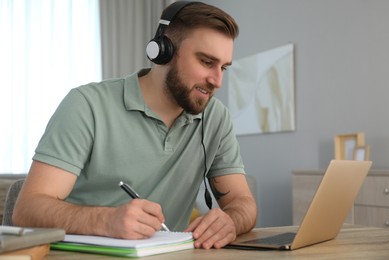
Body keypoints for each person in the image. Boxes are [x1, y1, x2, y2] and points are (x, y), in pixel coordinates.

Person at [13, 1, 257, 249]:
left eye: (224, 67)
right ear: (164, 51)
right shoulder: (86, 105)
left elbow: (242, 202)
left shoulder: (216, 117)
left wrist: (231, 221)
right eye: (206, 62)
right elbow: (27, 209)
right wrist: (106, 220)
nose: (217, 81)